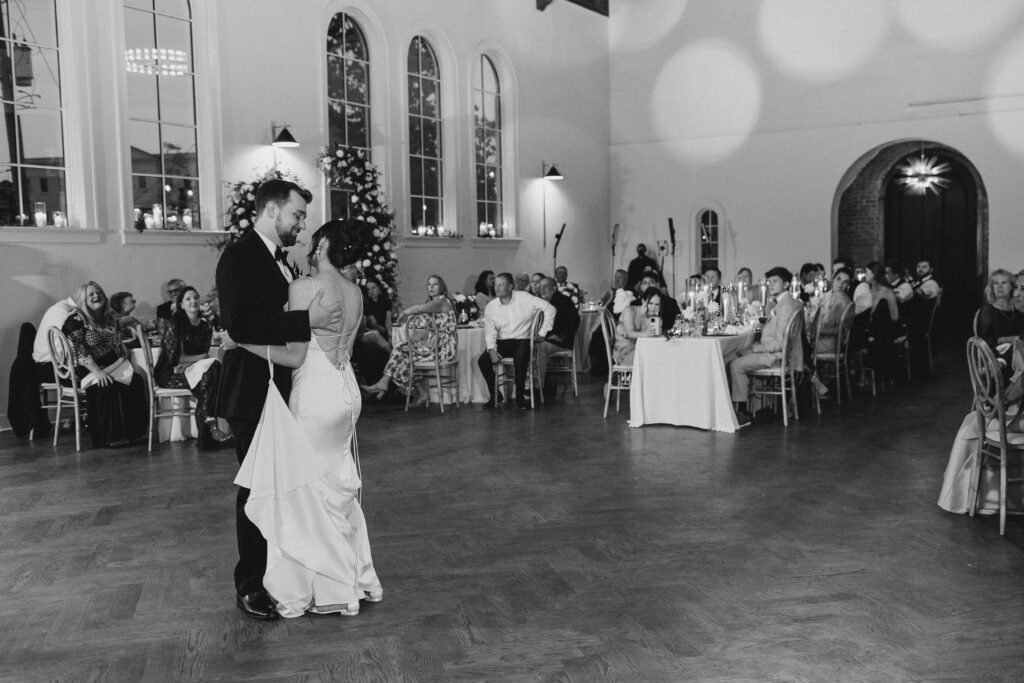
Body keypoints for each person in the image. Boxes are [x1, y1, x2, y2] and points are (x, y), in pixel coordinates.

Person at [231, 218, 382, 619]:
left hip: (315, 394)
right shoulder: (355, 291)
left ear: (325, 244)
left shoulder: (305, 288)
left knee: (306, 492)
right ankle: (351, 580)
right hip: (345, 391)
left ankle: (322, 585)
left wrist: (241, 341)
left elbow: (296, 356)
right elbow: (346, 347)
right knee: (334, 486)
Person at [214, 178, 344, 621]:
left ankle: (278, 574)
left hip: (279, 389)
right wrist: (307, 318)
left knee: (280, 487)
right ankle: (249, 585)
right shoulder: (239, 257)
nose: (301, 226)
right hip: (251, 392)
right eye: (297, 215)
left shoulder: (281, 261)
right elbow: (239, 323)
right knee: (256, 488)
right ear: (271, 210)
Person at [61, 281, 148, 448]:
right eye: (91, 294)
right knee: (106, 386)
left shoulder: (109, 317)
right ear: (83, 300)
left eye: (99, 292)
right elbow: (78, 349)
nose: (97, 296)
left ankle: (135, 433)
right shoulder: (75, 319)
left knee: (136, 381)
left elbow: (117, 338)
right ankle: (108, 438)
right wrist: (96, 371)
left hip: (115, 365)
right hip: (89, 369)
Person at [152, 285, 229, 450]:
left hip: (193, 370)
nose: (193, 301)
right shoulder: (175, 323)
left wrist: (190, 361)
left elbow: (194, 356)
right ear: (181, 304)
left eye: (195, 297)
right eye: (188, 299)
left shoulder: (206, 326)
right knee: (212, 375)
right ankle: (209, 433)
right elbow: (174, 359)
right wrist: (199, 358)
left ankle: (208, 432)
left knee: (211, 374)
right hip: (169, 374)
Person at [361, 274, 457, 403]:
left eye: (435, 284)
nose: (431, 287)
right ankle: (412, 391)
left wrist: (404, 313)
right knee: (403, 349)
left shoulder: (442, 301)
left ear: (441, 287)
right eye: (429, 284)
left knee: (403, 352)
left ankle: (385, 383)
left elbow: (419, 309)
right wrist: (411, 341)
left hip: (443, 348)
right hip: (431, 345)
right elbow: (422, 330)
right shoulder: (431, 303)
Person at [729, 267, 803, 427]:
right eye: (769, 282)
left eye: (775, 281)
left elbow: (780, 342)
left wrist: (754, 348)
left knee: (735, 364)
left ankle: (742, 412)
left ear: (786, 284)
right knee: (738, 355)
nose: (770, 285)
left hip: (777, 356)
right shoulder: (790, 302)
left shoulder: (784, 307)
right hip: (784, 354)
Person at [477, 272, 556, 410]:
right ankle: (495, 394)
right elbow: (490, 332)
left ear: (510, 287)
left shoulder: (524, 298)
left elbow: (550, 309)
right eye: (496, 285)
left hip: (522, 339)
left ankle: (520, 397)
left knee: (520, 357)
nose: (497, 287)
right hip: (503, 341)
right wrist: (491, 350)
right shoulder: (491, 306)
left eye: (501, 284)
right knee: (483, 361)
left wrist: (542, 332)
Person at [852, 261, 900, 386]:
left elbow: (895, 316)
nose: (864, 274)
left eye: (866, 272)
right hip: (870, 328)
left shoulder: (887, 292)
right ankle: (860, 374)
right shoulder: (866, 290)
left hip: (883, 332)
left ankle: (865, 375)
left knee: (861, 338)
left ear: (873, 274)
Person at [535, 276, 581, 396]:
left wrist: (562, 336)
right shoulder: (540, 301)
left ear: (554, 288)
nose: (542, 289)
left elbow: (574, 320)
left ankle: (538, 388)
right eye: (540, 287)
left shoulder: (564, 301)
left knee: (540, 347)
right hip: (545, 339)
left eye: (545, 286)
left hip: (560, 342)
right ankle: (524, 387)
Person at [976, 269, 1024, 377]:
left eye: (1004, 283)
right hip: (994, 361)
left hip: (1018, 360)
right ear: (992, 287)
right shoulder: (987, 310)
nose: (999, 286)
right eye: (995, 283)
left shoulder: (1018, 312)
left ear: (1012, 286)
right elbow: (985, 341)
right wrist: (1011, 339)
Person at [613, 286, 661, 367]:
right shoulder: (629, 310)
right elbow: (629, 334)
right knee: (653, 361)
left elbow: (649, 340)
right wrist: (646, 333)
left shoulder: (651, 317)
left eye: (657, 304)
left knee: (660, 357)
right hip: (623, 353)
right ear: (643, 301)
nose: (653, 308)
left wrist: (648, 319)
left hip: (640, 351)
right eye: (650, 303)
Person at [360, 279, 393, 354]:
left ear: (379, 288)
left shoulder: (386, 300)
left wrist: (390, 334)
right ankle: (394, 357)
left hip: (385, 328)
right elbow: (374, 324)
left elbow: (388, 320)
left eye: (373, 288)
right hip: (373, 330)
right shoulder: (366, 303)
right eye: (369, 289)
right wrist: (385, 332)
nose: (371, 291)